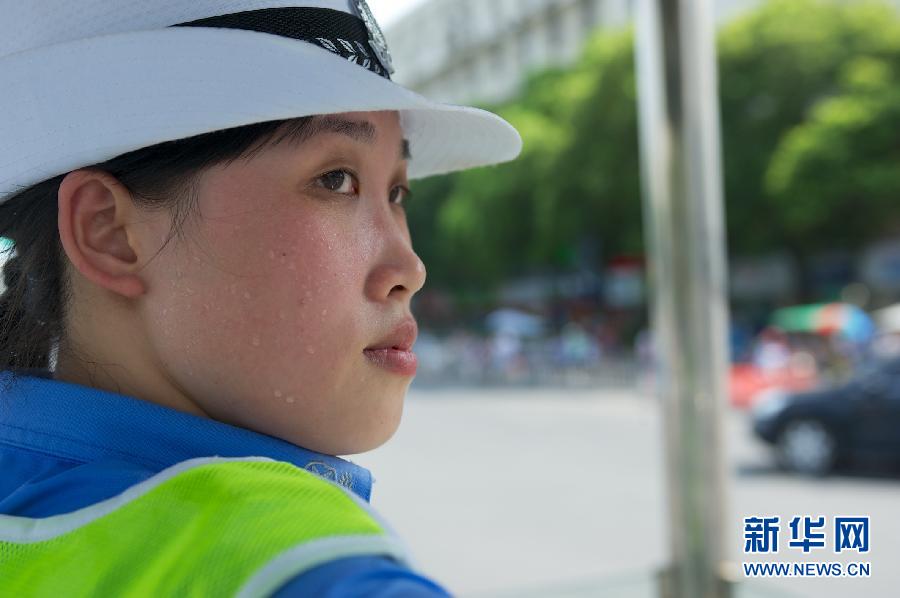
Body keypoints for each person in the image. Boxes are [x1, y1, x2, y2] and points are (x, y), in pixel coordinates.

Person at [0, 1, 521, 596]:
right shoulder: (303, 569)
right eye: (336, 181)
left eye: (397, 191)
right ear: (109, 233)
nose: (409, 268)